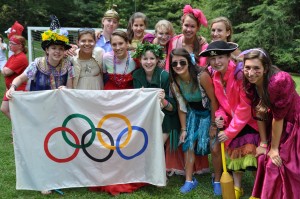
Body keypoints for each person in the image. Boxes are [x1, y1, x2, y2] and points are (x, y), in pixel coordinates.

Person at [199, 41, 260, 199]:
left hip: (249, 123)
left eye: (220, 57)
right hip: (233, 124)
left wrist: (229, 132)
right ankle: (237, 187)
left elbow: (244, 107)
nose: (216, 62)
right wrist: (221, 116)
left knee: (251, 158)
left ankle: (258, 190)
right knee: (235, 156)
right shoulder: (216, 77)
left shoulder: (239, 74)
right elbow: (222, 105)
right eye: (213, 59)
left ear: (228, 57)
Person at [88, 30, 145, 196]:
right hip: (110, 100)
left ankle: (125, 172)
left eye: (121, 43)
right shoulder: (106, 58)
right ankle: (106, 172)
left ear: (127, 43)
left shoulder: (135, 59)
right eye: (114, 44)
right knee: (108, 135)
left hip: (128, 102)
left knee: (126, 137)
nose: (118, 47)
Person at [241, 48, 300, 199]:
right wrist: (264, 143)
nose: (250, 72)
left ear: (265, 68)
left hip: (293, 122)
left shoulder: (278, 82)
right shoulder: (250, 84)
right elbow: (260, 112)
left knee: (284, 161)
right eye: (247, 67)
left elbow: (278, 118)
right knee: (264, 157)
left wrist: (274, 148)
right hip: (276, 124)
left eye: (256, 68)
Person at [169, 48, 218, 193]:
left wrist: (213, 125)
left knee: (215, 147)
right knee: (188, 144)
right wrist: (184, 129)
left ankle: (217, 179)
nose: (178, 66)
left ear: (189, 62)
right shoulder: (175, 81)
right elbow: (181, 105)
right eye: (174, 64)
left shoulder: (201, 76)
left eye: (182, 62)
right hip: (192, 114)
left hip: (210, 113)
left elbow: (214, 101)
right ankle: (189, 180)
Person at [132, 42, 180, 144]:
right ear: (140, 60)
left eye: (152, 58)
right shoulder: (136, 75)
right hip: (145, 115)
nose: (148, 62)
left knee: (156, 147)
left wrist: (163, 100)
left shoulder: (165, 76)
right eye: (145, 59)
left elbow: (173, 108)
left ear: (157, 59)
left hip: (165, 118)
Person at [166, 4, 208, 71]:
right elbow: (168, 66)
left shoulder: (203, 46)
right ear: (182, 24)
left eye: (192, 26)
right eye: (186, 25)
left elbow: (203, 69)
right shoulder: (174, 42)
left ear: (198, 28)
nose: (188, 29)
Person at [1, 35, 28, 120]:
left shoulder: (21, 58)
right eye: (9, 43)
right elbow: (4, 70)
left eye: (12, 43)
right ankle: (17, 126)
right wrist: (5, 70)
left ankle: (19, 127)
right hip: (9, 89)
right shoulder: (13, 56)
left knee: (16, 111)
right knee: (4, 109)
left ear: (20, 46)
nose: (10, 45)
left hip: (18, 89)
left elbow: (6, 72)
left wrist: (5, 70)